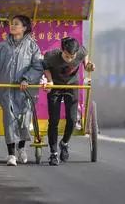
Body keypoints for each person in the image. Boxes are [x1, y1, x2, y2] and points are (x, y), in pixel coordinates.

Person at [0, 15, 43, 166]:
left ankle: (22, 147)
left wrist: (26, 79)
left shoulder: (33, 46)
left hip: (25, 90)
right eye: (12, 24)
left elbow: (38, 67)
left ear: (24, 28)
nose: (12, 26)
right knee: (9, 120)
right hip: (7, 89)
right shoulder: (2, 46)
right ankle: (11, 154)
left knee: (25, 120)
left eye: (16, 24)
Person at [42, 36, 95, 166]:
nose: (70, 59)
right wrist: (49, 80)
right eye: (67, 56)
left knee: (72, 119)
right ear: (62, 50)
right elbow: (45, 68)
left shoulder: (81, 51)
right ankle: (53, 153)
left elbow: (86, 63)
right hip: (56, 87)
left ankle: (64, 143)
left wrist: (90, 66)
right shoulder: (51, 56)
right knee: (53, 120)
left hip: (72, 86)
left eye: (72, 57)